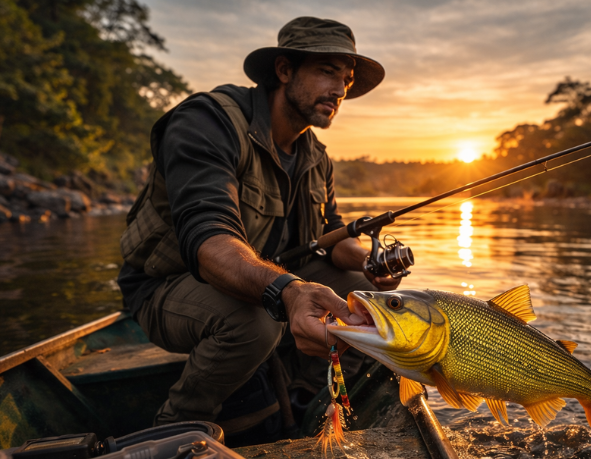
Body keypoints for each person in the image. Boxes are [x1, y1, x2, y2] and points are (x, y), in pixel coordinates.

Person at [116, 16, 400, 427]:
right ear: (284, 71)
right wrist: (289, 292)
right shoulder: (208, 122)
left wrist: (369, 263)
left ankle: (305, 391)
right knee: (253, 321)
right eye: (326, 71)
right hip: (166, 286)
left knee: (368, 302)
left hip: (268, 282)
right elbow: (209, 239)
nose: (339, 89)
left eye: (347, 78)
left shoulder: (316, 157)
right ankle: (178, 425)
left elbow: (332, 238)